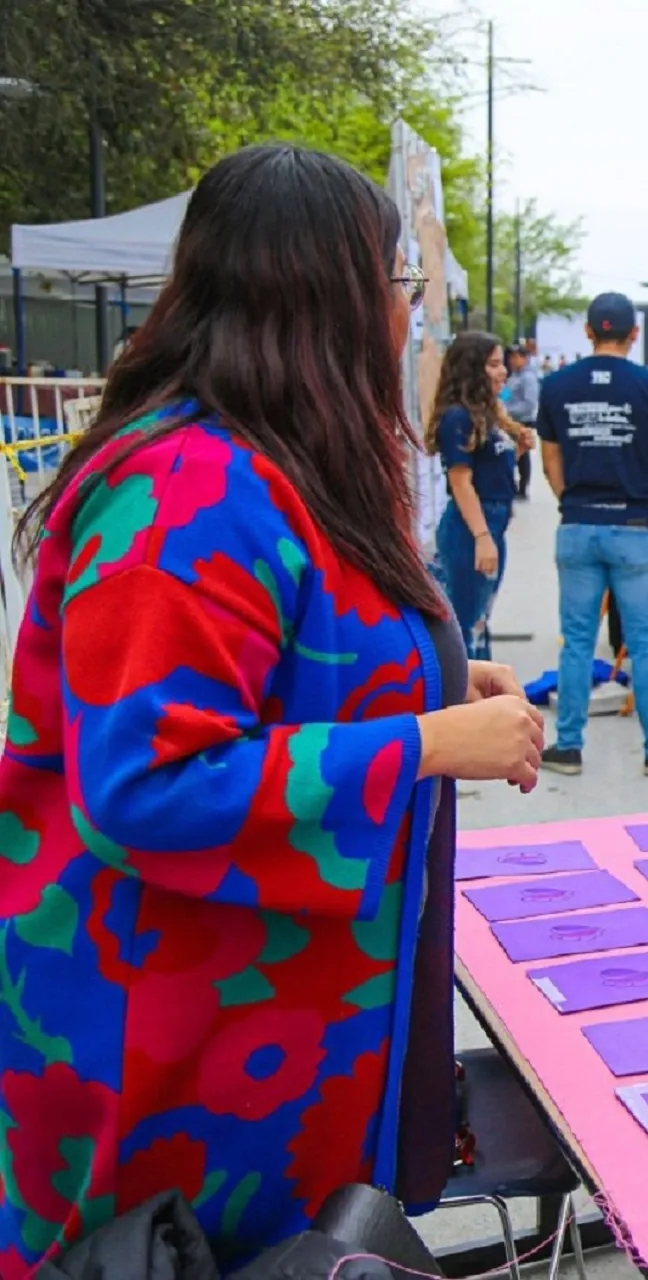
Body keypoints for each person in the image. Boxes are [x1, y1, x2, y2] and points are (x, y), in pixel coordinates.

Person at [0, 143, 546, 1270]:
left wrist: (444, 682)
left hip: (274, 1038)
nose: (410, 314)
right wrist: (427, 740)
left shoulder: (281, 461)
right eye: (398, 282)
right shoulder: (185, 489)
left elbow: (306, 663)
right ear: (328, 297)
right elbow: (144, 783)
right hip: (170, 1056)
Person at [536, 292, 648, 778]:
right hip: (635, 526)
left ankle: (566, 746)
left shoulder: (557, 385)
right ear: (633, 334)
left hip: (579, 525)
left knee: (578, 641)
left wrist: (574, 502)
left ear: (588, 331)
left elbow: (549, 459)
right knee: (646, 642)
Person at [431, 331, 525, 658]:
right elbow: (461, 482)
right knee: (466, 626)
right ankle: (468, 699)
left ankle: (483, 697)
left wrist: (519, 450)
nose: (503, 372)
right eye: (494, 364)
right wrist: (482, 536)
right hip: (470, 528)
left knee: (480, 620)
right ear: (473, 369)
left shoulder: (488, 416)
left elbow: (491, 472)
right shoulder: (458, 417)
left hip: (492, 524)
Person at [505, 343, 542, 498]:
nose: (513, 360)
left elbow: (529, 403)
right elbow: (505, 396)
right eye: (511, 357)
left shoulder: (528, 378)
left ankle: (523, 487)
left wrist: (508, 411)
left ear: (525, 358)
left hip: (522, 420)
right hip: (509, 420)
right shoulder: (513, 376)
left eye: (517, 357)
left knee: (523, 454)